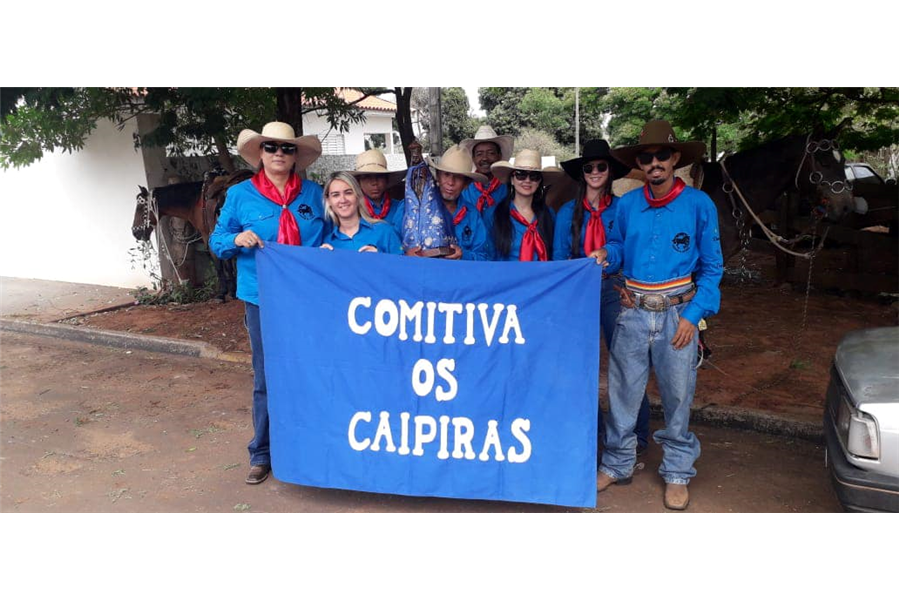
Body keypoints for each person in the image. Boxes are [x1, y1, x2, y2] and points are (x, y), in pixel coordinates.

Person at [594, 120, 723, 510]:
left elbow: (712, 268)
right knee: (622, 392)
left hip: (677, 313)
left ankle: (678, 471)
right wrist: (607, 255)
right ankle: (617, 463)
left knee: (678, 395)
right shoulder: (628, 204)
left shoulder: (699, 205)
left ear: (675, 158)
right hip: (633, 310)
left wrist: (693, 315)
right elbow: (618, 247)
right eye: (646, 157)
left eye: (661, 155)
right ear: (639, 163)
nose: (654, 163)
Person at [209, 121, 326, 485]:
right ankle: (262, 452)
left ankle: (309, 446)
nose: (279, 153)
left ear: (295, 156)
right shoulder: (240, 195)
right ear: (260, 153)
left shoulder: (314, 194)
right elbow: (217, 240)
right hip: (263, 299)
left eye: (287, 148)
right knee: (266, 377)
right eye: (271, 147)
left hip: (308, 300)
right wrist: (236, 239)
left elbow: (333, 235)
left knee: (310, 371)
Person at [554, 139, 653, 456]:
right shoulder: (567, 213)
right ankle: (592, 431)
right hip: (577, 294)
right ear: (582, 173)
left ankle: (637, 434)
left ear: (610, 171)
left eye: (601, 166)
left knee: (626, 362)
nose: (595, 172)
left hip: (613, 288)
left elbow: (626, 248)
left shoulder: (623, 208)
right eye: (589, 167)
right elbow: (559, 257)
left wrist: (611, 260)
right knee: (579, 364)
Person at [485, 149, 561, 261]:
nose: (527, 180)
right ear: (512, 180)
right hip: (504, 272)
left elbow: (557, 253)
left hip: (542, 272)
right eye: (521, 175)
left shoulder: (549, 214)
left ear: (539, 182)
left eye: (534, 176)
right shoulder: (493, 214)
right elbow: (488, 256)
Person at [422, 145, 492, 260]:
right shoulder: (417, 207)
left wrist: (463, 255)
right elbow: (397, 246)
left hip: (461, 271)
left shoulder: (472, 215)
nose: (451, 182)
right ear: (438, 176)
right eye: (446, 174)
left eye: (458, 177)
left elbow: (484, 257)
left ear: (466, 183)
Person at [320, 172, 402, 254]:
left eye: (348, 193)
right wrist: (321, 258)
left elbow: (403, 261)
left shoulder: (385, 231)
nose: (343, 200)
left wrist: (381, 257)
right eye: (336, 195)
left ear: (358, 196)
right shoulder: (328, 243)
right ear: (328, 201)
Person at [347, 149, 406, 237]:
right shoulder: (351, 209)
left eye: (379, 176)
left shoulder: (401, 207)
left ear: (386, 180)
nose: (374, 182)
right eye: (367, 177)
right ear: (358, 182)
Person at [459, 125, 515, 215]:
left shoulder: (511, 186)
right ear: (473, 158)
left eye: (491, 153)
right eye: (479, 154)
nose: (485, 158)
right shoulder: (464, 187)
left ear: (499, 156)